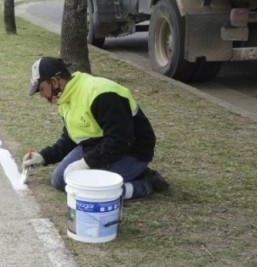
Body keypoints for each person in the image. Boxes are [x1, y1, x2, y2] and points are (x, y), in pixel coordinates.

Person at [21, 56, 169, 199]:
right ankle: (129, 173)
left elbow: (121, 140)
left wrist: (86, 163)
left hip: (132, 150)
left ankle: (145, 184)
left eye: (41, 89)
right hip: (100, 146)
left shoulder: (100, 93)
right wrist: (43, 157)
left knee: (88, 188)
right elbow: (71, 139)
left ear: (54, 81)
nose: (41, 95)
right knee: (60, 180)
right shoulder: (65, 100)